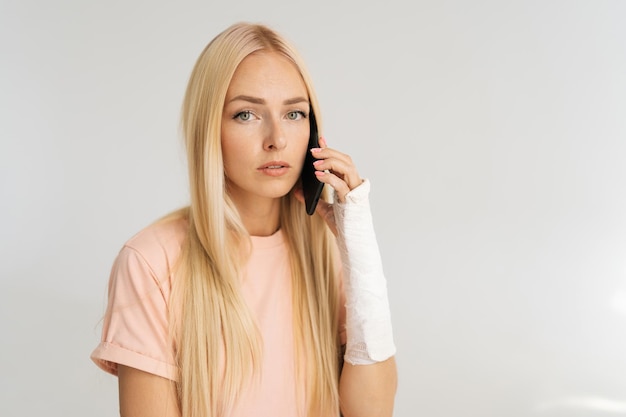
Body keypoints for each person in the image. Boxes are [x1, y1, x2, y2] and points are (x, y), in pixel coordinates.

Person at [91, 21, 397, 417]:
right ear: (209, 129)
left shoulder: (329, 250)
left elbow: (372, 412)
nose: (277, 139)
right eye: (246, 114)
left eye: (294, 113)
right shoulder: (150, 262)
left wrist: (359, 246)